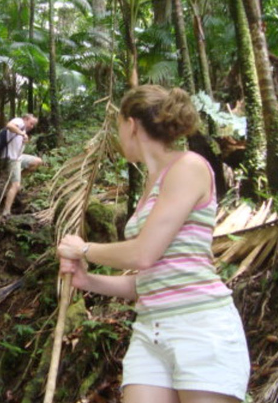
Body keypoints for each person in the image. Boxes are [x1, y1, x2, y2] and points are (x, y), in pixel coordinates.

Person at [57, 85, 249, 403]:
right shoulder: (152, 181)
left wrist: (83, 249)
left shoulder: (188, 167)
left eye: (118, 126)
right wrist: (86, 280)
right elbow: (149, 280)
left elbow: (144, 253)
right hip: (151, 329)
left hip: (199, 326)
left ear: (131, 123)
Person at [1, 113, 42, 216]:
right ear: (25, 119)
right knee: (16, 186)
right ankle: (6, 212)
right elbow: (9, 125)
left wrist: (23, 137)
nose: (31, 127)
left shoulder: (22, 130)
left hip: (19, 157)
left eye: (33, 125)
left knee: (37, 161)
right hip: (12, 158)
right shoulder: (19, 121)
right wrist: (22, 133)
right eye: (31, 123)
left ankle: (15, 179)